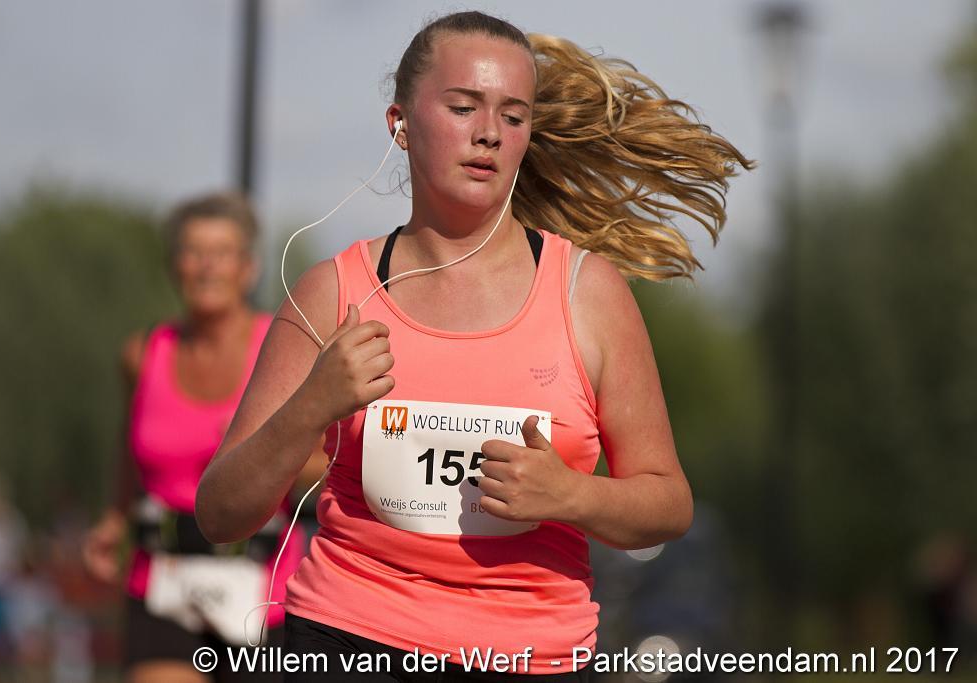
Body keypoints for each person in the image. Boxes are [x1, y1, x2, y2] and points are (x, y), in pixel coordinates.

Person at [196, 11, 754, 682]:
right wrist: (310, 406)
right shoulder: (332, 292)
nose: (489, 132)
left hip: (533, 658)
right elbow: (221, 514)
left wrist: (570, 494)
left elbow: (668, 503)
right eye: (463, 107)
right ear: (400, 123)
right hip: (346, 640)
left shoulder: (588, 293)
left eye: (513, 116)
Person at [83, 192, 320, 683]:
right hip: (162, 583)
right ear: (175, 266)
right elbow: (129, 448)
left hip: (263, 590)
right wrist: (113, 519)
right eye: (194, 252)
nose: (208, 266)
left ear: (248, 268)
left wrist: (267, 444)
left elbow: (327, 464)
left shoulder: (284, 347)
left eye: (222, 253)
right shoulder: (143, 353)